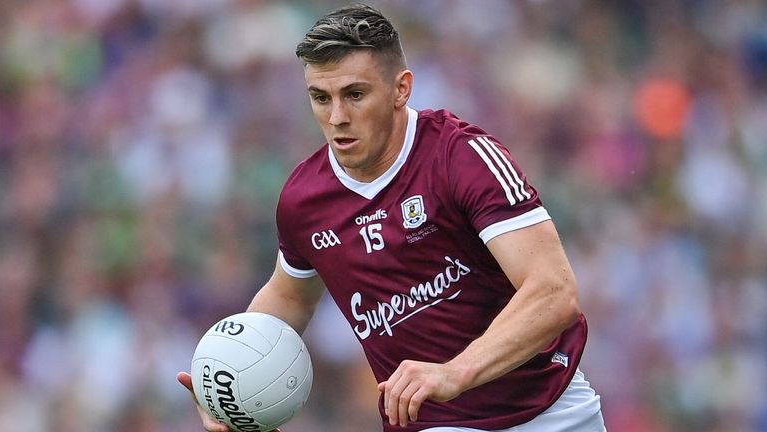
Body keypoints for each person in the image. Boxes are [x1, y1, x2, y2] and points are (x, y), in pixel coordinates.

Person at [178, 3, 606, 431]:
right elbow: (289, 296)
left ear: (401, 89)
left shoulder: (461, 158)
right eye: (321, 98)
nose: (337, 117)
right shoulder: (303, 200)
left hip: (553, 414)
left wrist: (453, 372)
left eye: (355, 94)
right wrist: (230, 384)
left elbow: (554, 293)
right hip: (432, 424)